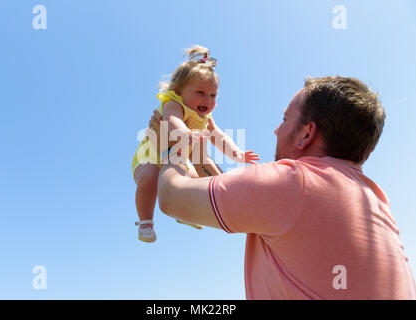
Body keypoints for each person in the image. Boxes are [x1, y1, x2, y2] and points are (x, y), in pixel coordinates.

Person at [153, 76, 416, 299]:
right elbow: (231, 196)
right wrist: (197, 152)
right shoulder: (375, 199)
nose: (276, 130)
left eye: (285, 119)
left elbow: (171, 197)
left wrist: (171, 143)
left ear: (306, 134)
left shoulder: (293, 183)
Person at [131, 45, 259, 243]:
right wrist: (185, 133)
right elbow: (173, 120)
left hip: (177, 159)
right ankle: (145, 222)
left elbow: (218, 135)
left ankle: (186, 214)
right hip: (149, 157)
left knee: (192, 184)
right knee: (148, 178)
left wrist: (236, 154)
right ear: (178, 91)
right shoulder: (174, 103)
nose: (207, 100)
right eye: (200, 92)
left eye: (213, 95)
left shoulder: (205, 118)